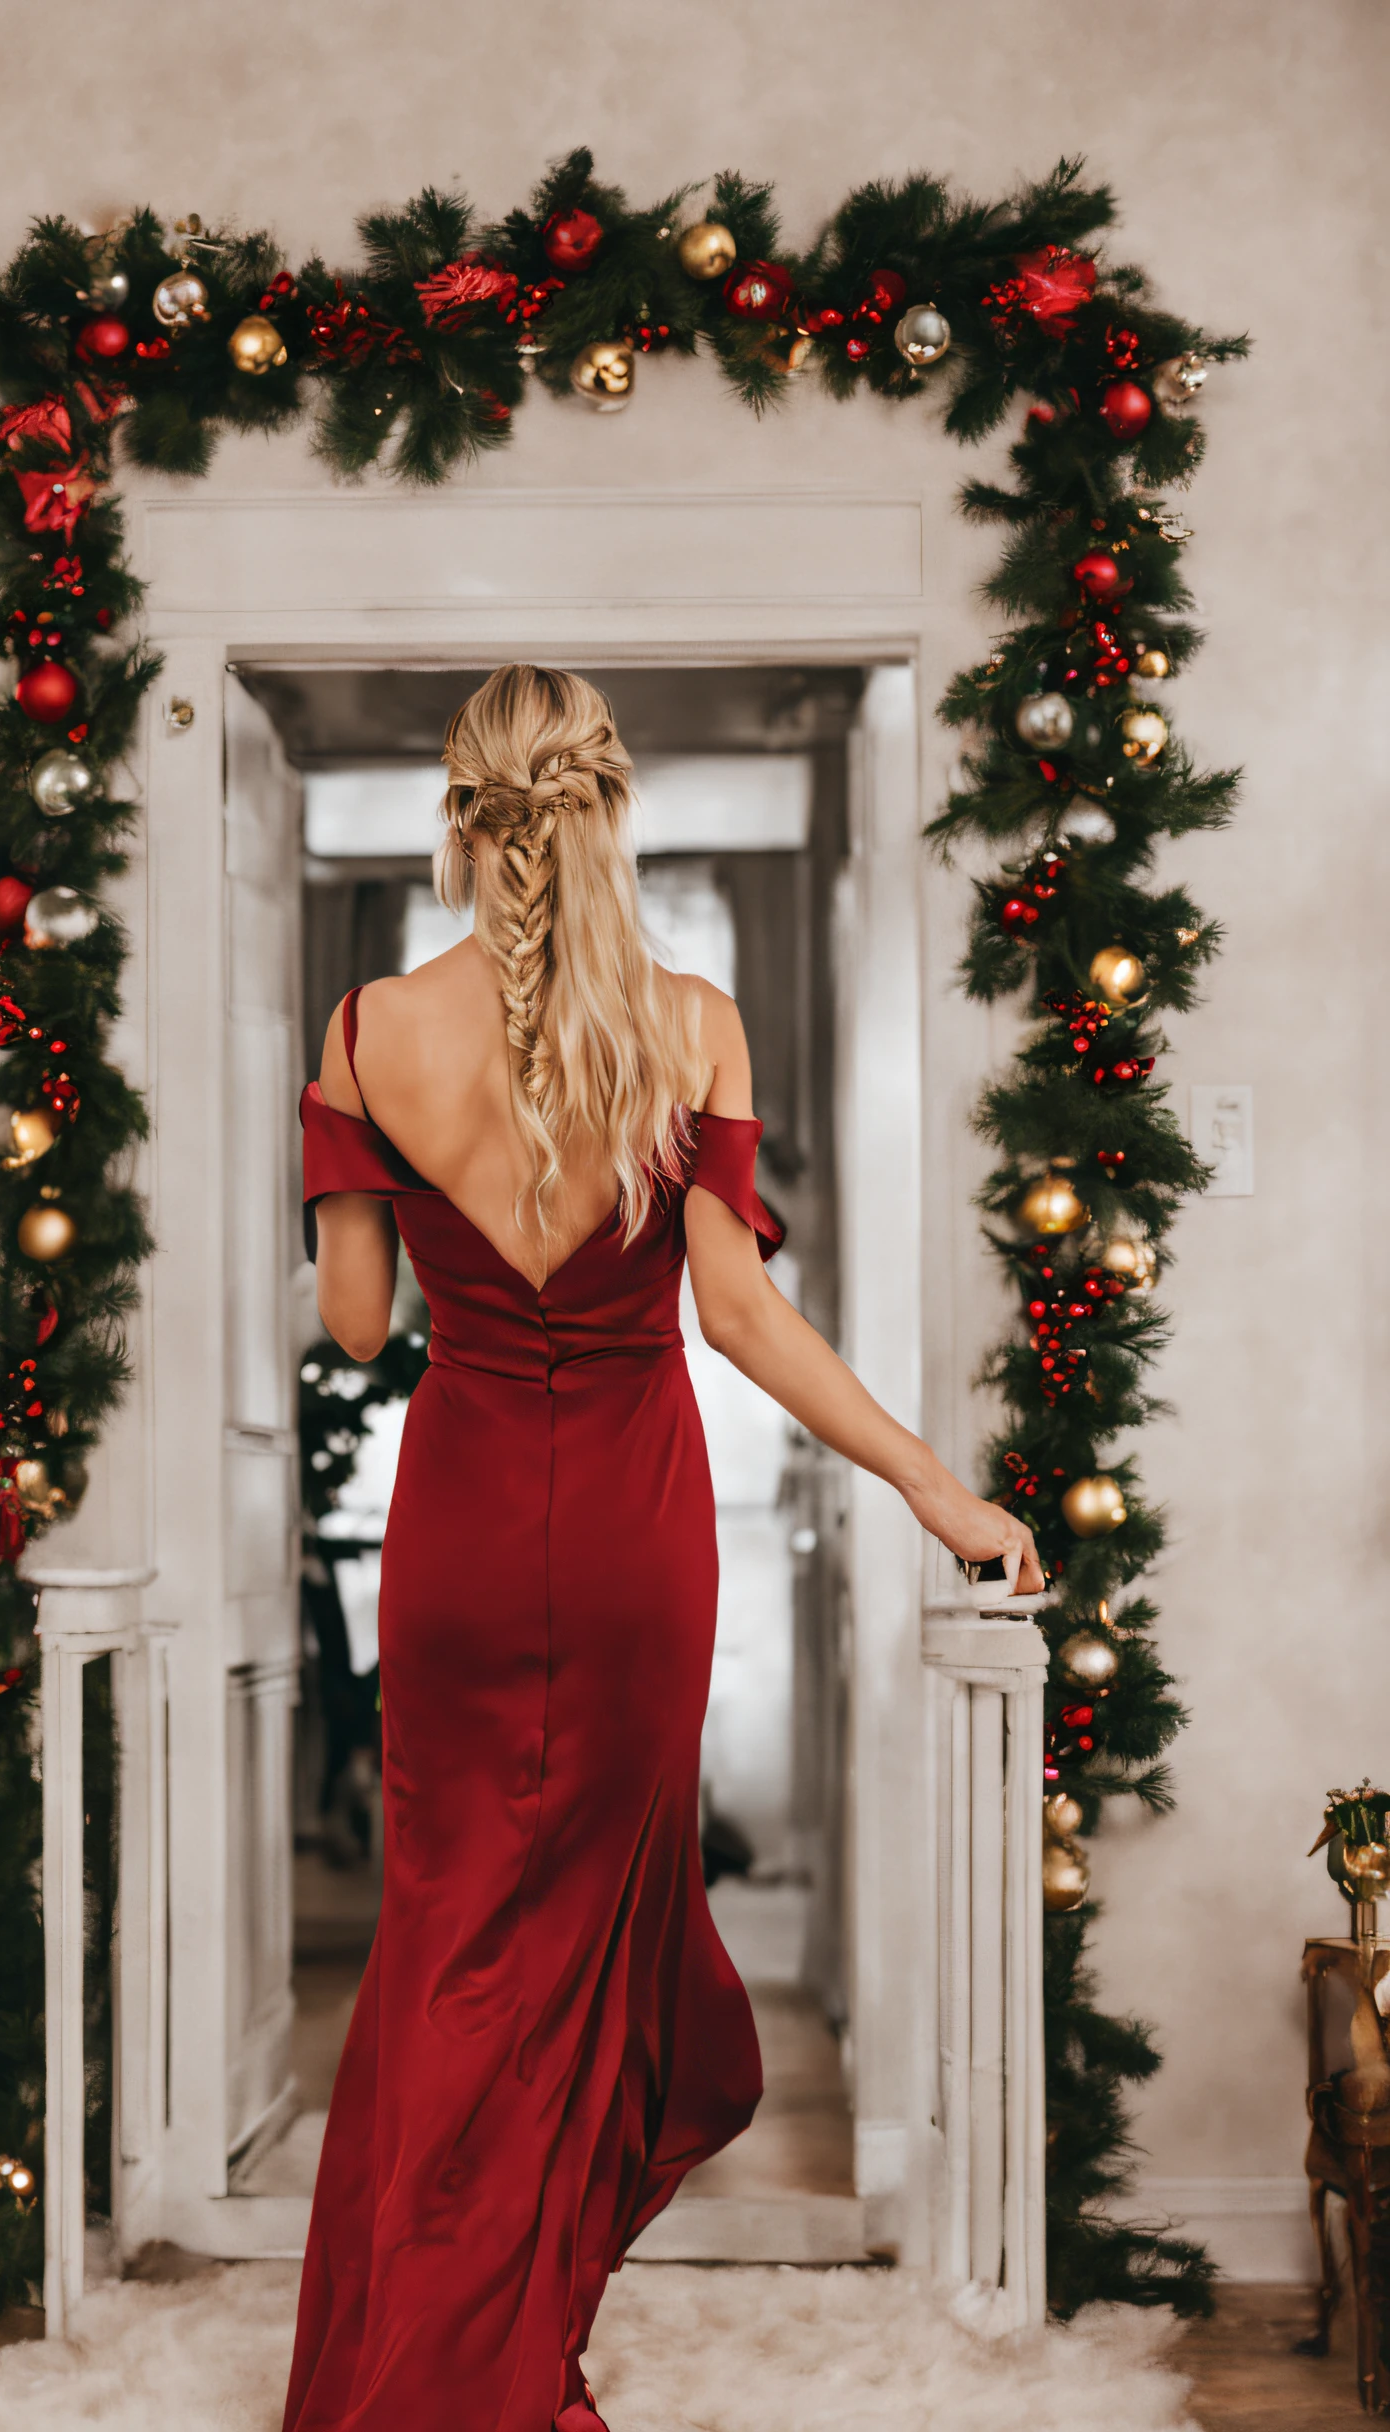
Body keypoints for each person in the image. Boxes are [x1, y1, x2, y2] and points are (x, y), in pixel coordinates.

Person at [285, 665, 1041, 2431]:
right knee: (585, 1955)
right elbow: (740, 1322)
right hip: (634, 1538)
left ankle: (421, 2361)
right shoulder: (694, 1023)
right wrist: (939, 1486)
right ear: (609, 808)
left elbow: (347, 1325)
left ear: (459, 815)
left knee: (451, 1946)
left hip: (463, 1533)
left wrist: (369, 1197)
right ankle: (513, 2358)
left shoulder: (367, 1028)